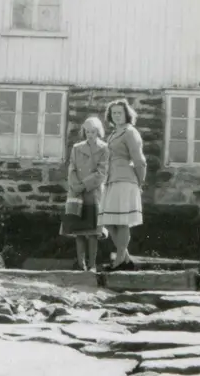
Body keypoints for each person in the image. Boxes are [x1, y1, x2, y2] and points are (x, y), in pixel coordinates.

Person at [99, 98, 147, 272]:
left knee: (122, 221)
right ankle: (125, 259)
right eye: (114, 113)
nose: (117, 116)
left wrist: (140, 181)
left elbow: (139, 159)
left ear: (127, 114)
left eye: (120, 112)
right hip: (111, 180)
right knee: (109, 221)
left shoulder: (130, 132)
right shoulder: (112, 134)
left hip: (126, 180)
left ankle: (119, 261)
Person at [61, 116, 109, 271]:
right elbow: (72, 168)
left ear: (99, 131)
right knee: (79, 231)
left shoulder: (104, 149)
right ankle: (81, 264)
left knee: (93, 232)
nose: (90, 134)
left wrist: (84, 185)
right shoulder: (76, 148)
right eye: (87, 131)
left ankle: (92, 264)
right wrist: (75, 185)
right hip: (76, 193)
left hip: (93, 193)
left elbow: (102, 172)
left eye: (93, 131)